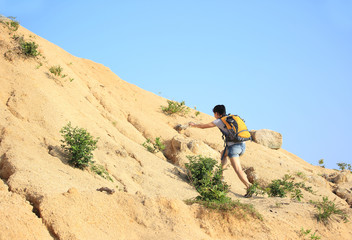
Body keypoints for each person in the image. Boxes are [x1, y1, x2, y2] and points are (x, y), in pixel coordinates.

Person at [188, 104, 253, 197]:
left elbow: (204, 126)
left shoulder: (219, 121)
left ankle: (249, 187)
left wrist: (194, 125)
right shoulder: (231, 118)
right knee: (223, 153)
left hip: (234, 148)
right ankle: (220, 177)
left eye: (214, 113)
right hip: (243, 145)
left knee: (238, 169)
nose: (214, 115)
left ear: (217, 113)